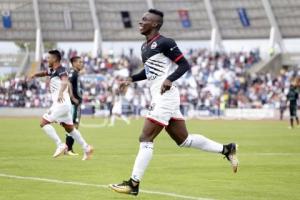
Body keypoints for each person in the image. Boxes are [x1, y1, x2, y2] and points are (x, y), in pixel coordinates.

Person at [109, 9, 238, 196]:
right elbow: (149, 72)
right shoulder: (145, 46)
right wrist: (131, 79)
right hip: (161, 96)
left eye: (144, 19)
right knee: (184, 140)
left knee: (145, 138)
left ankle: (133, 183)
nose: (140, 21)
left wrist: (170, 79)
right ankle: (227, 149)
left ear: (154, 24)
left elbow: (184, 64)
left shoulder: (165, 42)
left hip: (165, 96)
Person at [29, 50, 93, 160]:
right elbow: (44, 73)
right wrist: (34, 75)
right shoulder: (53, 71)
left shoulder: (61, 70)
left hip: (61, 103)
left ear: (55, 59)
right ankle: (86, 148)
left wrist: (60, 92)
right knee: (70, 129)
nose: (47, 60)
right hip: (66, 104)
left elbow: (65, 81)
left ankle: (60, 144)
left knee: (43, 123)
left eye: (49, 58)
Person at [65, 56, 84, 156]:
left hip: (75, 104)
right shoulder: (74, 73)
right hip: (74, 104)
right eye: (80, 62)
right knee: (73, 126)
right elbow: (68, 83)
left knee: (73, 126)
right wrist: (72, 97)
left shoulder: (75, 73)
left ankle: (68, 148)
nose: (82, 64)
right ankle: (68, 149)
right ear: (74, 63)